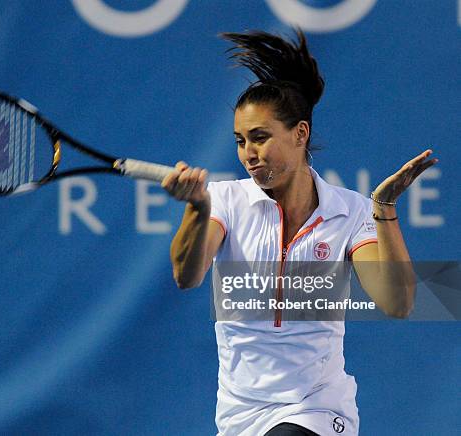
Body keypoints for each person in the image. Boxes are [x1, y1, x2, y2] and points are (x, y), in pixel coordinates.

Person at [162, 29, 437, 436]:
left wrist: (384, 209)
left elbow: (398, 302)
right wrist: (197, 208)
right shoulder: (224, 201)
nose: (248, 155)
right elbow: (187, 276)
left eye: (260, 137)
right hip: (239, 417)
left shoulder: (351, 211)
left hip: (318, 410)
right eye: (240, 141)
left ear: (300, 134)